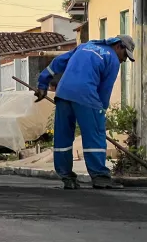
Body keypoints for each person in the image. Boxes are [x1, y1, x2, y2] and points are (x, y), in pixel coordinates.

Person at [36, 35, 135, 190]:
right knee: (95, 136)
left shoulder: (84, 47)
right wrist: (101, 111)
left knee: (63, 137)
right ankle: (100, 178)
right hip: (86, 95)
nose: (124, 60)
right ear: (118, 46)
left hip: (63, 93)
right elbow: (105, 90)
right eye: (125, 55)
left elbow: (57, 63)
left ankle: (67, 177)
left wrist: (43, 84)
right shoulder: (113, 59)